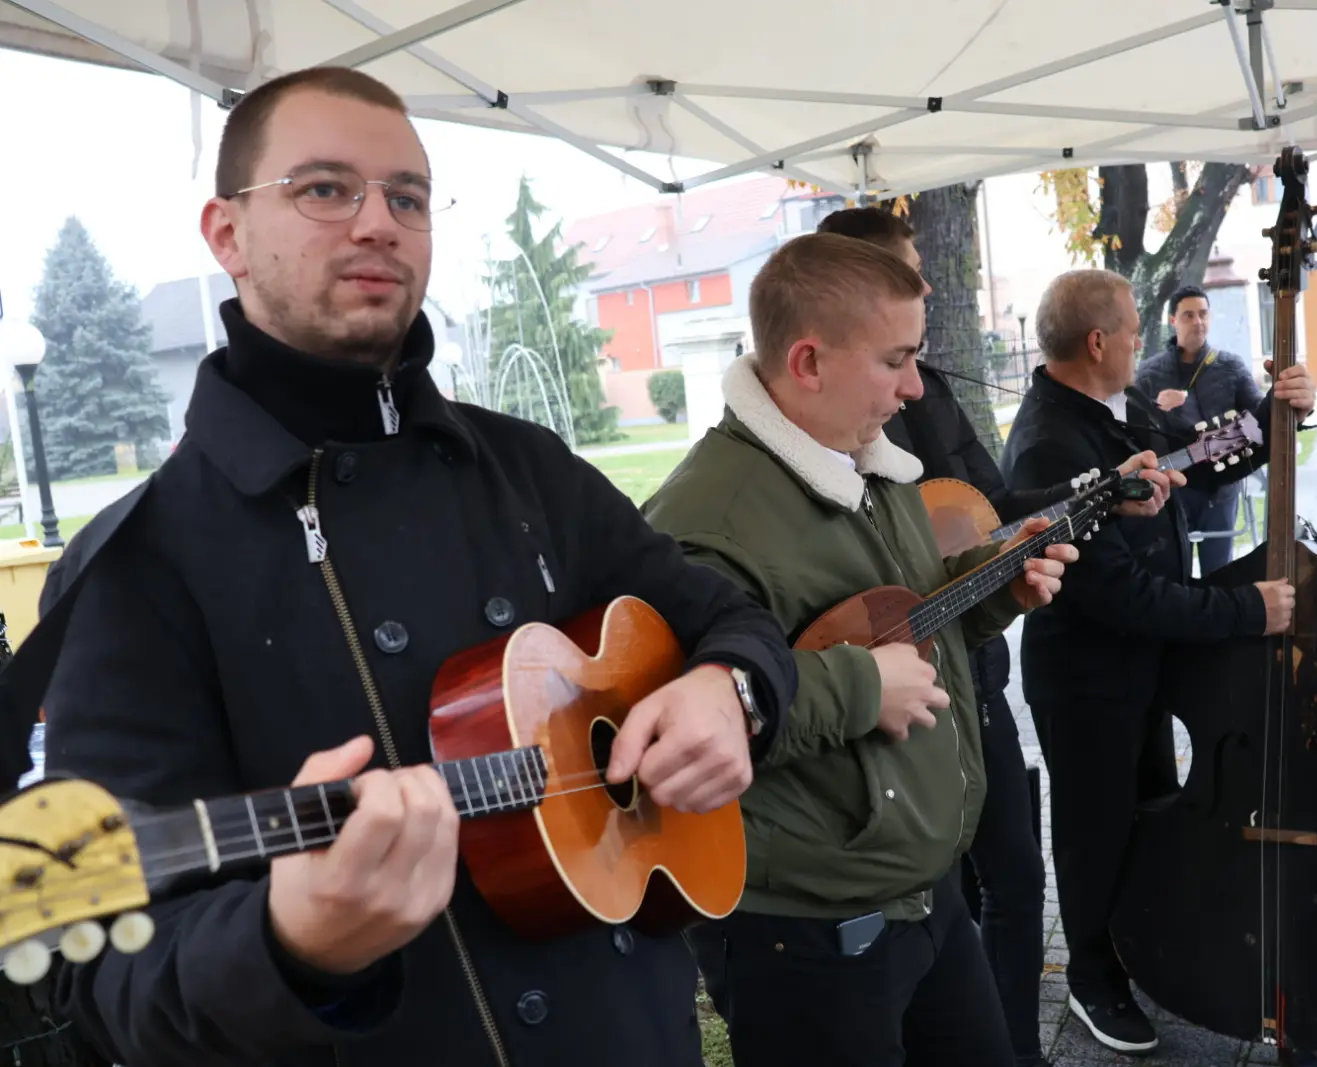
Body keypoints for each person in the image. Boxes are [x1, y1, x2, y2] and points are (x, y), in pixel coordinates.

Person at [8, 66, 798, 1067]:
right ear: (226, 234)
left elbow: (734, 617)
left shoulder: (528, 469)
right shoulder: (136, 562)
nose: (377, 221)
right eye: (325, 188)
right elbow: (108, 989)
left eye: (407, 197)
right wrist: (292, 943)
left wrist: (732, 690)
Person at [640, 232, 1078, 1067]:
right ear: (808, 361)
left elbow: (900, 633)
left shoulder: (871, 463)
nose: (915, 387)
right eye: (896, 360)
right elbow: (682, 729)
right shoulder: (707, 523)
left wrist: (991, 598)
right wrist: (858, 690)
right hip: (809, 933)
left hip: (927, 898)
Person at [813, 206, 1175, 1067]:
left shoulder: (931, 392)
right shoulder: (823, 427)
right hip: (887, 695)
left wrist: (1094, 490)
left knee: (1015, 879)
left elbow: (993, 510)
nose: (929, 287)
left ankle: (1014, 1049)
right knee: (938, 895)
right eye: (909, 271)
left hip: (975, 673)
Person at [999, 268, 1313, 1055]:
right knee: (1094, 832)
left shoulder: (1120, 404)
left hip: (1141, 669)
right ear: (1098, 340)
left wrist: (1276, 416)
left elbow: (1199, 454)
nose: (1148, 340)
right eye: (1137, 330)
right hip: (1088, 681)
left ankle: (1136, 948)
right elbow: (1124, 595)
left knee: (1147, 814)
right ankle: (1092, 979)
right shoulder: (1048, 439)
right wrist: (1248, 608)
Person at [1133, 284, 1266, 576]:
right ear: (1173, 321)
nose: (1198, 322)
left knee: (1219, 574)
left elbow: (1260, 421)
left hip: (1220, 490)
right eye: (1189, 315)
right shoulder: (1148, 373)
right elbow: (1132, 431)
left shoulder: (1231, 367)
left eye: (1203, 314)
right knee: (1170, 573)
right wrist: (1156, 406)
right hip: (1169, 493)